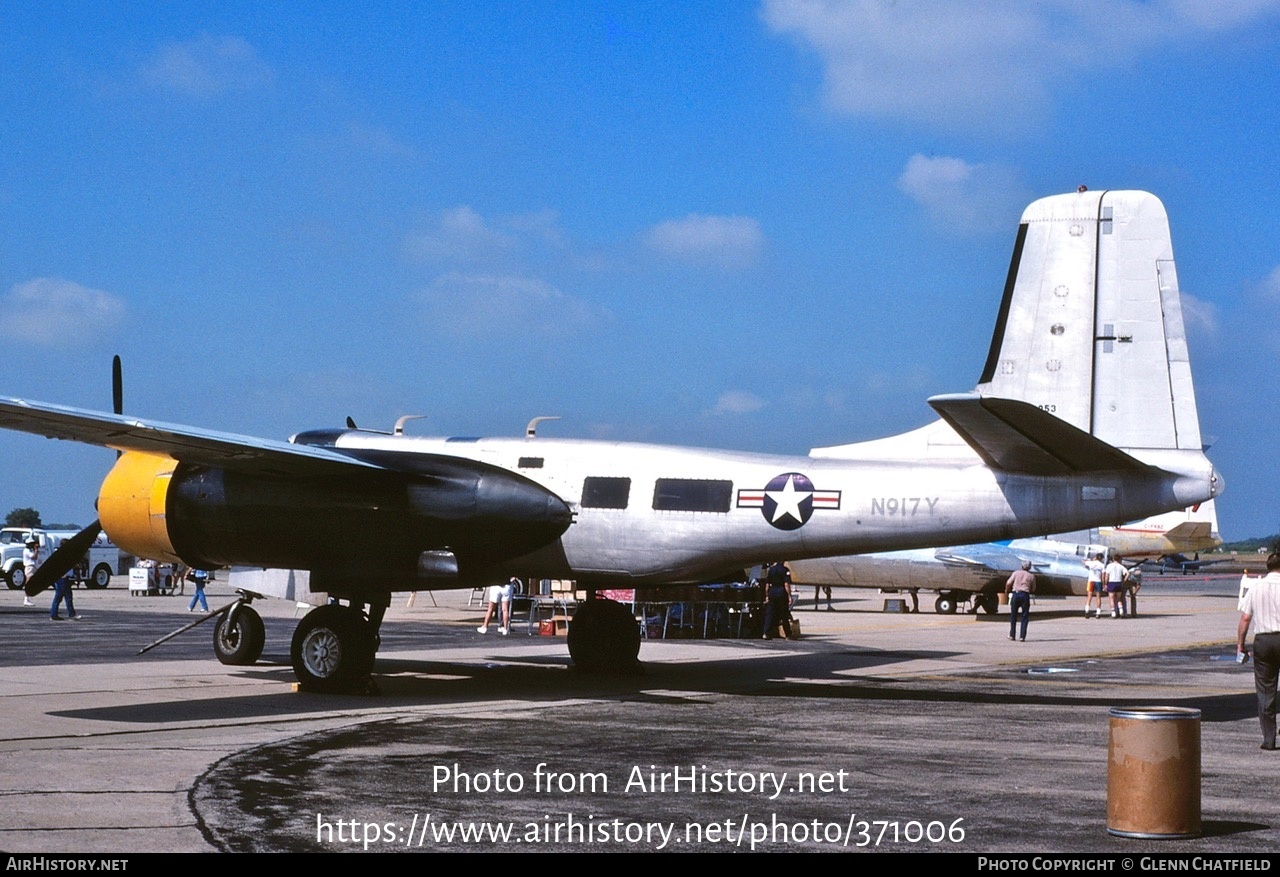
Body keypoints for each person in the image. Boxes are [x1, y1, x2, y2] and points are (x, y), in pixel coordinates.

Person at [1237, 553, 1280, 750]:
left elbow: (1245, 618)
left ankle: (1269, 739)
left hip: (1264, 640)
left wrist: (1241, 645)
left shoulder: (1256, 587)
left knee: (1265, 690)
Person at [1005, 561, 1035, 641]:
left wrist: (1007, 590)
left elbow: (1008, 583)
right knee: (1024, 616)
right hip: (1025, 595)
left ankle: (1012, 634)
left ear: (1021, 566)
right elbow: (1033, 588)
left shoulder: (1016, 573)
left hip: (1016, 594)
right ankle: (1022, 636)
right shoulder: (1031, 576)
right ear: (1029, 567)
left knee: (1013, 615)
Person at [762, 561, 792, 640]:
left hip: (772, 592)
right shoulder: (785, 570)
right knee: (784, 614)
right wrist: (789, 596)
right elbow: (786, 584)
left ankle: (766, 633)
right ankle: (788, 634)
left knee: (770, 613)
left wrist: (767, 595)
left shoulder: (771, 570)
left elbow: (767, 585)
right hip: (781, 593)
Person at [1083, 552, 1105, 618]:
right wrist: (1104, 583)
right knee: (1098, 597)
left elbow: (1084, 561)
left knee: (1089, 596)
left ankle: (1087, 611)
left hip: (1091, 580)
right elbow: (1103, 575)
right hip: (1098, 581)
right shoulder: (1102, 565)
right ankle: (1098, 612)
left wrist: (1092, 560)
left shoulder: (1091, 563)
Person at [21, 534, 38, 607]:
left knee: (30, 582)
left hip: (32, 567)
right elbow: (34, 557)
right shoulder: (27, 551)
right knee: (28, 582)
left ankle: (27, 598)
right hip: (29, 567)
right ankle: (26, 599)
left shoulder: (29, 550)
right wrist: (36, 550)